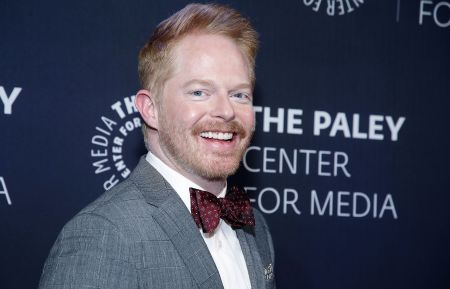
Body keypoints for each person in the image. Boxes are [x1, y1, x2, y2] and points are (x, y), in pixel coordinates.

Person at [39, 3, 275, 289]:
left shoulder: (254, 226)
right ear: (151, 109)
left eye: (239, 94)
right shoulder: (103, 234)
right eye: (199, 92)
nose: (226, 111)